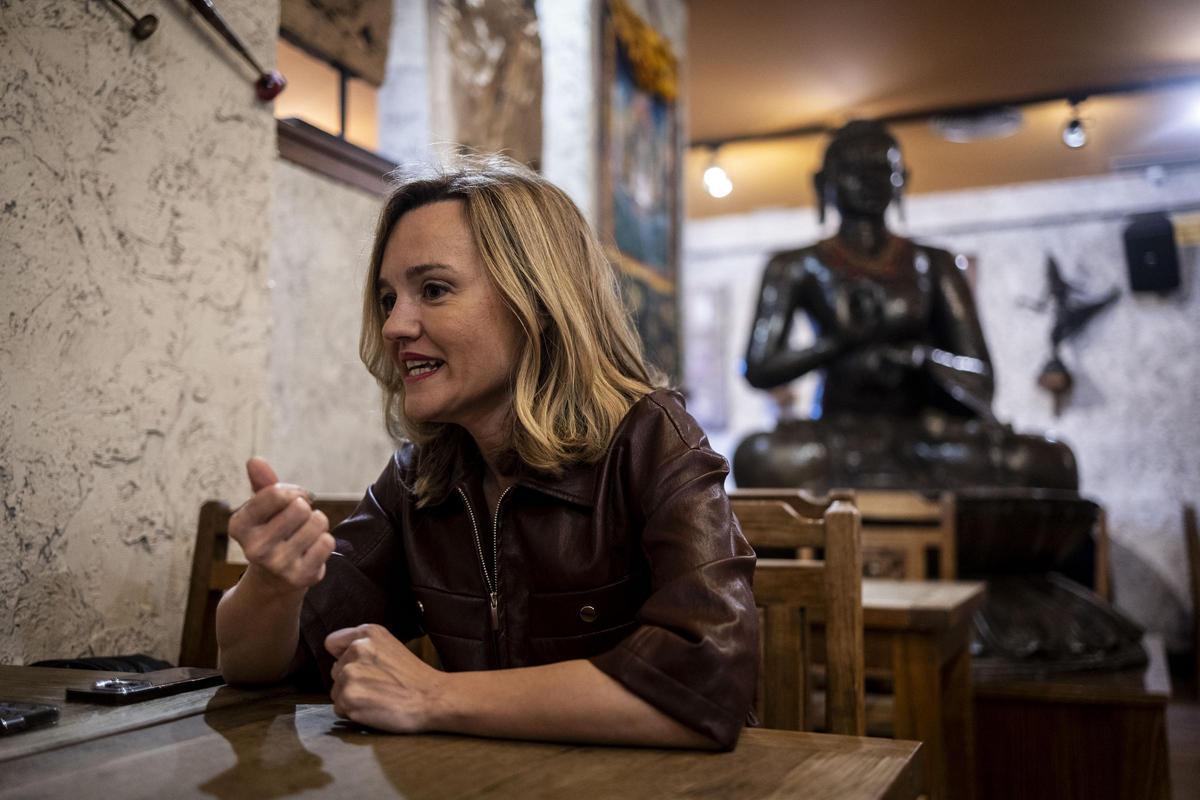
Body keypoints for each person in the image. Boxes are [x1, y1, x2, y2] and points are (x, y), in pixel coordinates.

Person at [214, 156, 758, 750]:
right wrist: (272, 584)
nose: (395, 325)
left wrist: (433, 696)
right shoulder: (421, 474)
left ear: (536, 301)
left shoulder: (653, 440)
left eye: (434, 289)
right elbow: (255, 665)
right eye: (389, 297)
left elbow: (707, 686)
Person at [734, 120, 1077, 492]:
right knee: (758, 456)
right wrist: (838, 343)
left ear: (903, 180)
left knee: (1052, 461)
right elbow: (758, 368)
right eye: (853, 171)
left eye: (882, 170)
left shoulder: (935, 264)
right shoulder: (795, 266)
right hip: (837, 434)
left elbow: (980, 378)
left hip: (925, 435)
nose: (868, 182)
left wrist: (918, 360)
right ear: (823, 182)